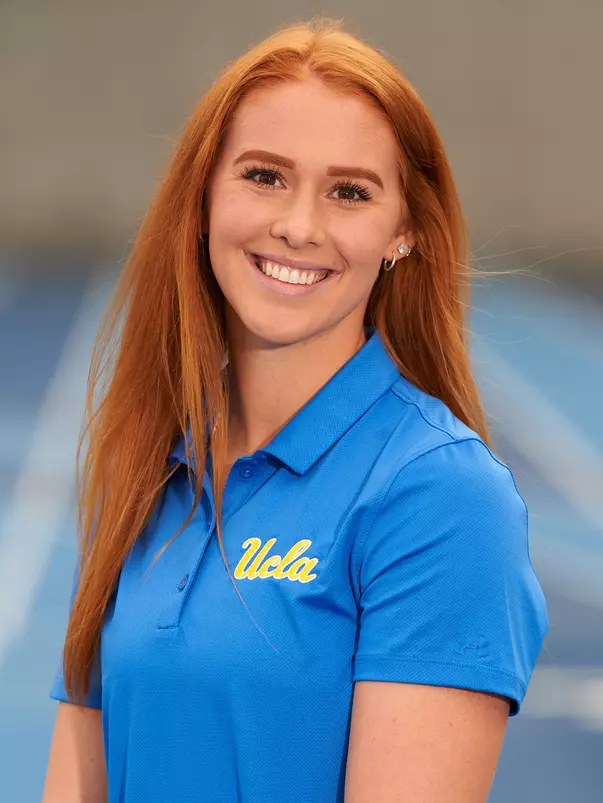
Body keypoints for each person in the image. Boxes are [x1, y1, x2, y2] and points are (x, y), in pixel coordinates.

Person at [42, 18, 548, 803]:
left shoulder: (440, 497)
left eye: (349, 191)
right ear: (204, 197)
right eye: (264, 176)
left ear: (402, 232)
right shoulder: (140, 465)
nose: (299, 225)